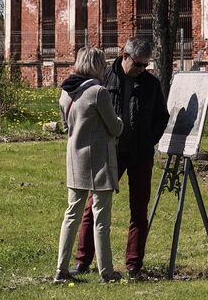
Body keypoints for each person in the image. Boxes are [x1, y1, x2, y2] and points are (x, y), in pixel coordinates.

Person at [73, 36, 169, 280]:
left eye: (146, 65)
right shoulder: (104, 78)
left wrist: (149, 139)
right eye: (138, 64)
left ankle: (134, 265)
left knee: (139, 210)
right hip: (108, 153)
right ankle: (82, 261)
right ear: (124, 56)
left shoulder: (151, 84)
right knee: (92, 207)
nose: (141, 70)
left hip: (140, 154)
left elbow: (161, 116)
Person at [54, 47, 124, 284]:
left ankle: (61, 269)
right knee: (101, 219)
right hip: (99, 162)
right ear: (97, 65)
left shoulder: (65, 92)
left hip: (75, 160)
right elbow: (114, 127)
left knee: (71, 215)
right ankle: (107, 272)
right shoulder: (98, 92)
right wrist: (121, 123)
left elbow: (65, 127)